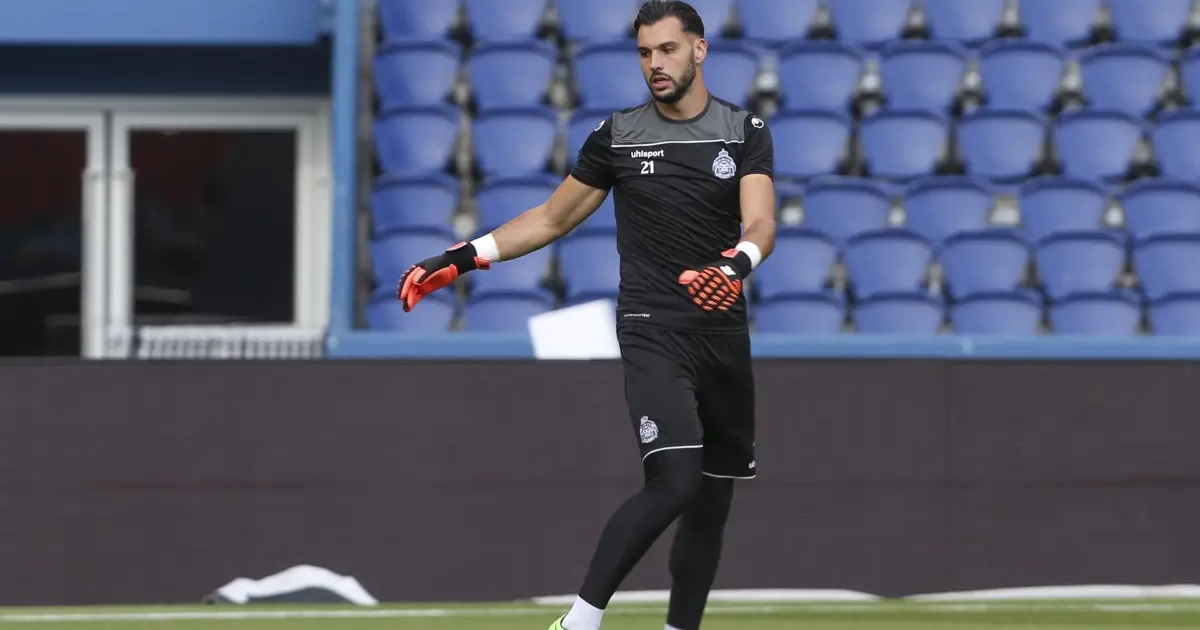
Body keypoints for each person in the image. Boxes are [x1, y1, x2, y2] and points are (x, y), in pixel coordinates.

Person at [395, 2, 775, 628]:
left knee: (711, 503)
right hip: (653, 330)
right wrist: (464, 257)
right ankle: (578, 621)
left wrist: (735, 265)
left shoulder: (743, 130)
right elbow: (551, 218)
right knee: (674, 481)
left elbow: (760, 222)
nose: (655, 64)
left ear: (699, 49)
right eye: (645, 53)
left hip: (723, 333)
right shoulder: (617, 135)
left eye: (667, 50)